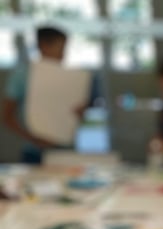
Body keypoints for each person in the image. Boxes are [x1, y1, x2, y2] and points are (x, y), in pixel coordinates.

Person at [2, 25, 98, 164]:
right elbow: (7, 116)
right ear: (43, 46)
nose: (63, 54)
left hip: (66, 148)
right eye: (61, 48)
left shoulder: (70, 79)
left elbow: (79, 112)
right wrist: (32, 138)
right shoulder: (23, 75)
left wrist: (81, 111)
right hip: (34, 151)